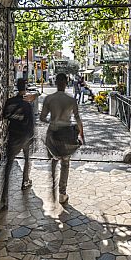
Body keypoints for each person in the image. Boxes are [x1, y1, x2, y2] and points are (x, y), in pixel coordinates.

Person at [40, 73, 84, 205]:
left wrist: (52, 121)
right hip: (66, 134)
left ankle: (52, 185)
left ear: (55, 82)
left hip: (52, 133)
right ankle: (62, 193)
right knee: (65, 163)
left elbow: (42, 118)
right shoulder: (71, 100)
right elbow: (77, 118)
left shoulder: (49, 99)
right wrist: (81, 134)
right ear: (66, 83)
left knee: (54, 159)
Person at [0, 78, 36, 210]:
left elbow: (4, 115)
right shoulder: (27, 104)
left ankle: (4, 197)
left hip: (13, 135)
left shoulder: (10, 102)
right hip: (24, 137)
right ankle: (25, 180)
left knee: (8, 165)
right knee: (27, 158)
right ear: (25, 88)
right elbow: (31, 123)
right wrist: (32, 137)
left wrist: (13, 116)